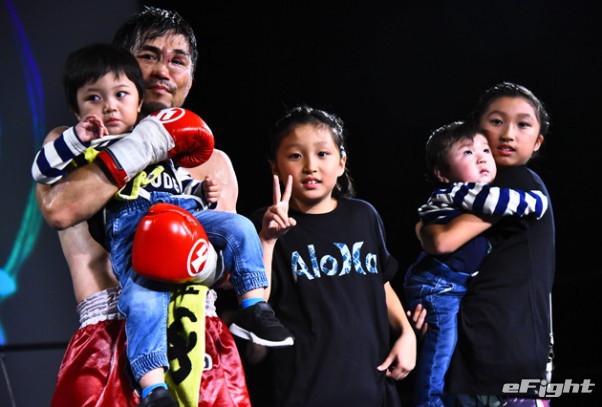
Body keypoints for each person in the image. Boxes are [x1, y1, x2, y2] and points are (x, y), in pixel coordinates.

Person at [32, 42, 293, 405]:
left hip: (200, 324)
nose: (162, 71)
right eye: (150, 56)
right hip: (114, 323)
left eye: (177, 60)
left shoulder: (200, 156)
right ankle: (152, 385)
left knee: (238, 229)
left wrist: (256, 236)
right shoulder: (77, 143)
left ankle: (255, 310)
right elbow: (58, 206)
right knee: (144, 299)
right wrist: (133, 142)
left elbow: (223, 271)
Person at [250, 105, 417, 406]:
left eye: (322, 154)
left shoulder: (363, 216)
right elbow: (255, 307)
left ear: (341, 163)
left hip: (372, 387)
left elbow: (380, 283)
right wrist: (268, 240)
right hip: (304, 391)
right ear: (275, 167)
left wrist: (407, 333)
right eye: (295, 155)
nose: (310, 166)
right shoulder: (263, 225)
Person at [415, 82, 555, 406]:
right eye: (496, 121)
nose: (508, 134)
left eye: (523, 124)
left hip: (502, 357)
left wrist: (422, 228)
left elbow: (441, 239)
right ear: (476, 129)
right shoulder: (472, 191)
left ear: (538, 141)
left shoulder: (516, 185)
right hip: (482, 352)